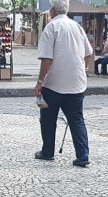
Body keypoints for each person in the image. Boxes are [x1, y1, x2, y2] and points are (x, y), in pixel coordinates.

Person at [33, 0, 93, 167]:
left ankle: (47, 152)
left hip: (54, 83)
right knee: (76, 119)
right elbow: (88, 53)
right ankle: (83, 155)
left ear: (53, 10)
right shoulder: (77, 27)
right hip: (76, 83)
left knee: (48, 119)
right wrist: (82, 69)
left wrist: (39, 82)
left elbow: (47, 59)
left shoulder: (51, 27)